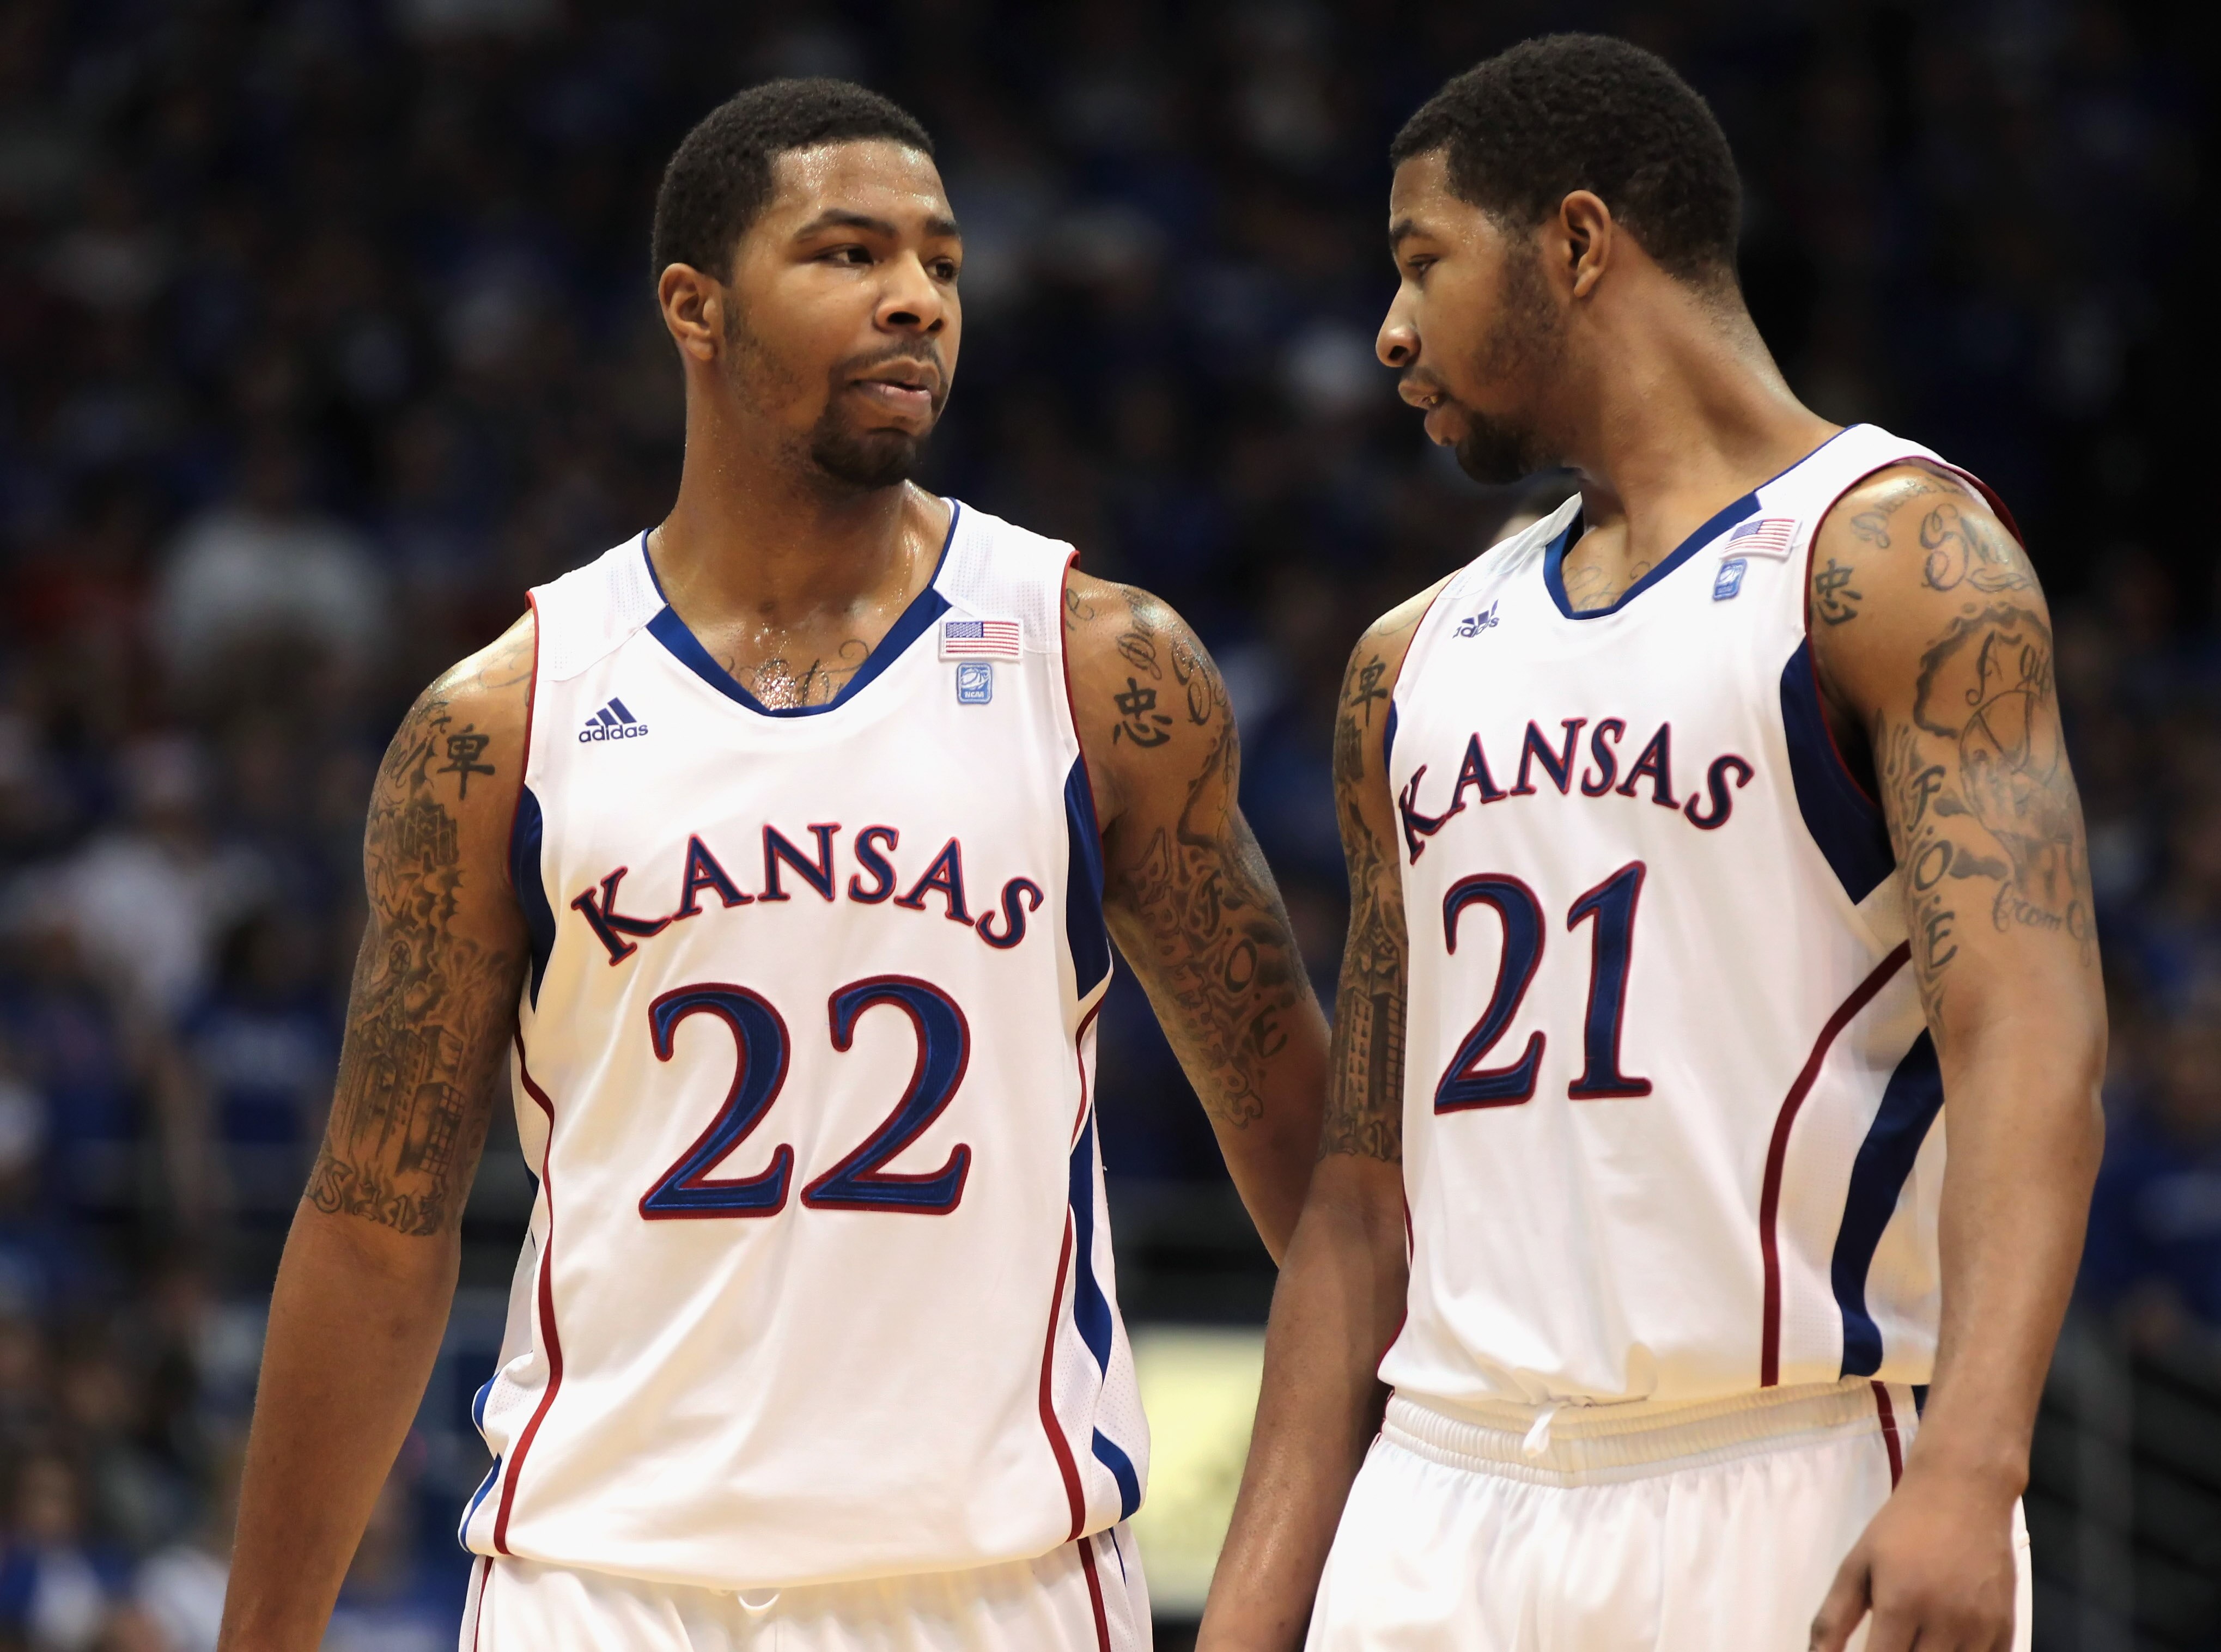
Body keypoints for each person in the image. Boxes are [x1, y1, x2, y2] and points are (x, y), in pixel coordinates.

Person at [215, 79, 1328, 1652]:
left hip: (997, 1583)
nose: (915, 300)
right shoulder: (502, 723)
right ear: (695, 307)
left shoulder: (1102, 670)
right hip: (598, 1586)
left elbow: (1315, 1166)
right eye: (848, 253)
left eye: (941, 262)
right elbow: (377, 1223)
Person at [1198, 34, 2104, 1652]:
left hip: (1790, 1465)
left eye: (1422, 261)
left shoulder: (1893, 554)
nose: (1391, 332)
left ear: (1578, 240)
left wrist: (1973, 1463)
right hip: (1441, 1490)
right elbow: (1358, 1201)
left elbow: (2027, 1036)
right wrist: (1254, 1612)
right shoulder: (1409, 660)